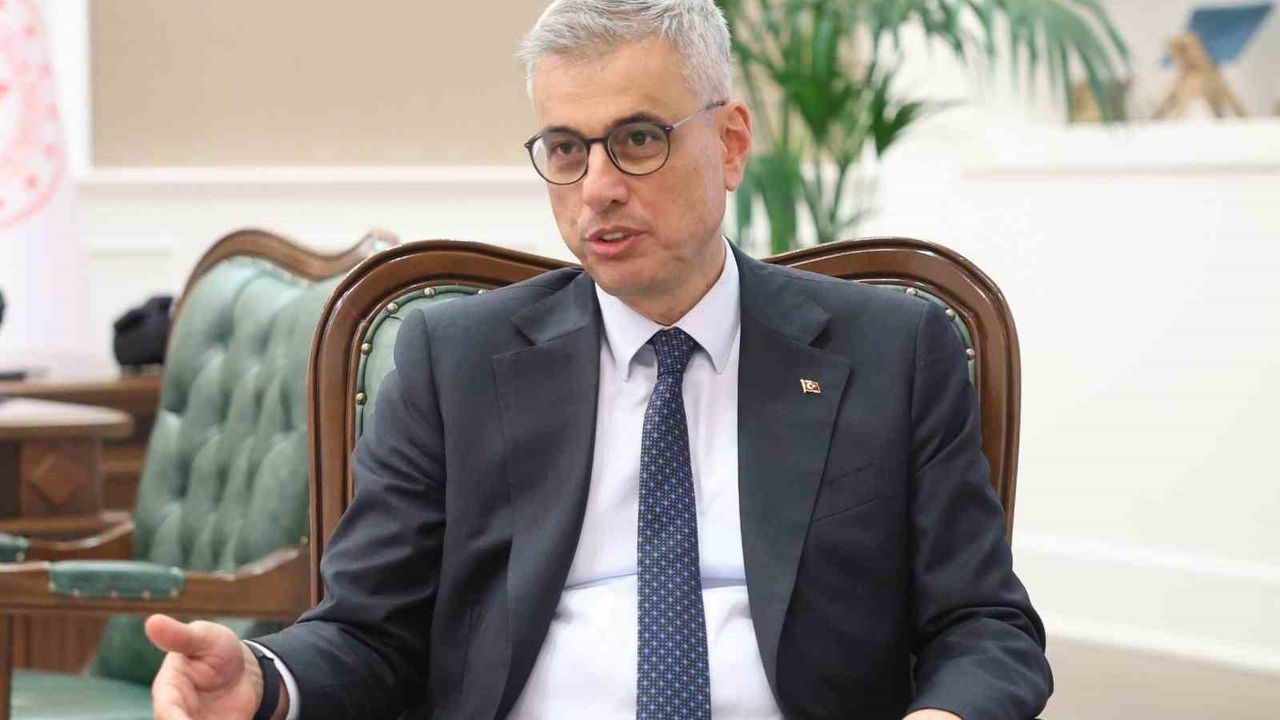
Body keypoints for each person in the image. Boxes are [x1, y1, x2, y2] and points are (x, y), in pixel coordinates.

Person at [145, 1, 1052, 718]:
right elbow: (369, 630)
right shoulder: (454, 362)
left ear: (730, 144)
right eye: (566, 149)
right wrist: (261, 680)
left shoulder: (891, 351)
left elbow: (986, 625)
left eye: (639, 139)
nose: (599, 187)